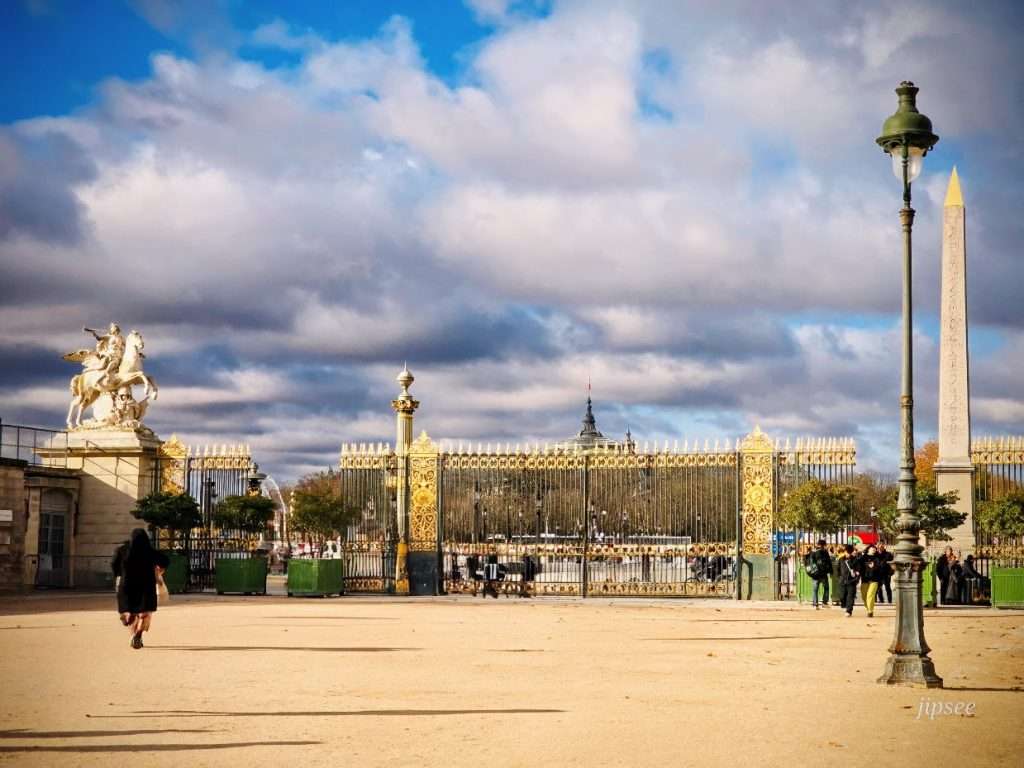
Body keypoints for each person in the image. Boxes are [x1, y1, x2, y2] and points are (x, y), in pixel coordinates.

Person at [111, 528, 169, 649]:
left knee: (131, 610)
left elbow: (114, 564)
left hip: (127, 585)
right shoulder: (149, 551)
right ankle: (138, 634)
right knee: (144, 613)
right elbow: (165, 561)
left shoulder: (123, 550)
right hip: (145, 586)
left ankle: (129, 618)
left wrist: (119, 574)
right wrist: (160, 570)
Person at [804, 539, 833, 609]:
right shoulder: (825, 552)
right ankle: (824, 602)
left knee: (815, 589)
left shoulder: (813, 552)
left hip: (815, 574)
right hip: (823, 573)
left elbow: (810, 563)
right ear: (823, 545)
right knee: (826, 588)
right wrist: (831, 571)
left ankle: (815, 604)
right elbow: (829, 562)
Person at [858, 544, 883, 617]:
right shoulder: (863, 558)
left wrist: (874, 567)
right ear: (868, 549)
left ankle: (870, 611)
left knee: (870, 595)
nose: (874, 550)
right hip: (865, 579)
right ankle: (868, 608)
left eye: (875, 549)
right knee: (864, 596)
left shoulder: (877, 558)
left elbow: (880, 567)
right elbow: (858, 566)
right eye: (872, 548)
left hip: (874, 579)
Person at [838, 544, 860, 617]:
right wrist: (840, 578)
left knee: (850, 596)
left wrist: (856, 577)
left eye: (848, 552)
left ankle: (849, 610)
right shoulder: (841, 559)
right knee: (842, 596)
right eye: (846, 552)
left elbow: (858, 570)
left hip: (851, 581)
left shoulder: (855, 560)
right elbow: (838, 569)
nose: (847, 554)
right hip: (842, 580)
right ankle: (844, 605)